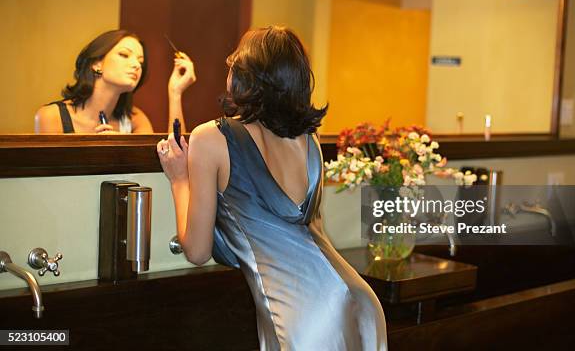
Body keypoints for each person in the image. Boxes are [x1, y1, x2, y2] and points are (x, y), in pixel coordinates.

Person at [157, 26, 387, 350]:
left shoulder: (211, 138)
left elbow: (196, 251)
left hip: (304, 315)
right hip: (360, 300)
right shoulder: (310, 139)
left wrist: (179, 179)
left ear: (243, 75)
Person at [35, 29, 195, 133]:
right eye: (124, 55)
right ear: (96, 63)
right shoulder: (51, 116)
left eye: (140, 62)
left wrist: (175, 93)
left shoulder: (136, 120)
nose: (136, 65)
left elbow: (176, 160)